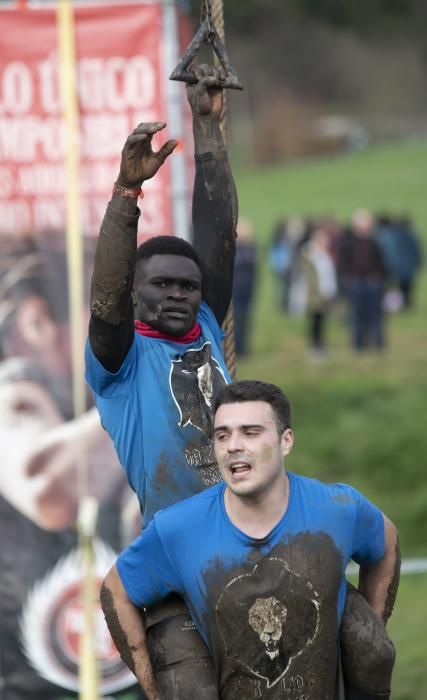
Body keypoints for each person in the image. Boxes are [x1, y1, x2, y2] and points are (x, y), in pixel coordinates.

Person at [85, 64, 237, 697]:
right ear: (139, 295)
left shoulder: (205, 322)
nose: (179, 296)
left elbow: (218, 234)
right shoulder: (120, 357)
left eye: (188, 286)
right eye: (163, 286)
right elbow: (108, 296)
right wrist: (127, 196)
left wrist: (208, 129)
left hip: (258, 523)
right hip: (178, 550)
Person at [101, 380, 400, 700]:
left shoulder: (338, 510)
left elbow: (386, 543)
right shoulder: (179, 529)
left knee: (374, 649)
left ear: (286, 441)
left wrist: (367, 625)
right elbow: (116, 591)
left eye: (251, 432)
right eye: (222, 435)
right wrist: (153, 689)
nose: (233, 446)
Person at [232, 217, 258, 356]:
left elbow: (254, 272)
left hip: (246, 290)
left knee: (245, 319)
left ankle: (243, 348)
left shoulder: (251, 249)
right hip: (235, 290)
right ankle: (236, 347)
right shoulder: (235, 249)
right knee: (236, 320)